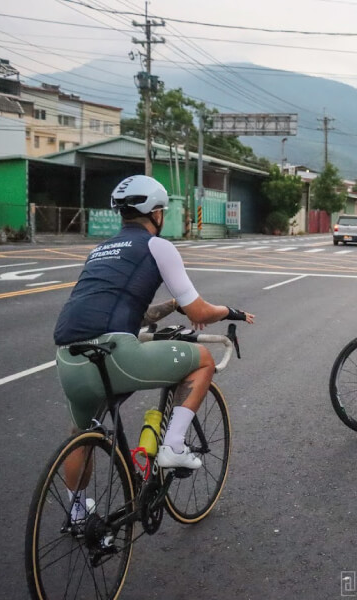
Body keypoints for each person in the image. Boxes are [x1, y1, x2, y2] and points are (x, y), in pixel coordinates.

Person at [54, 175, 254, 520]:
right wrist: (231, 312)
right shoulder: (157, 246)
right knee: (202, 361)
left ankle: (77, 513)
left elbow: (132, 311)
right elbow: (200, 311)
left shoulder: (100, 250)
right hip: (117, 354)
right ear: (156, 212)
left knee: (83, 434)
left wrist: (170, 306)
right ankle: (174, 445)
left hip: (69, 359)